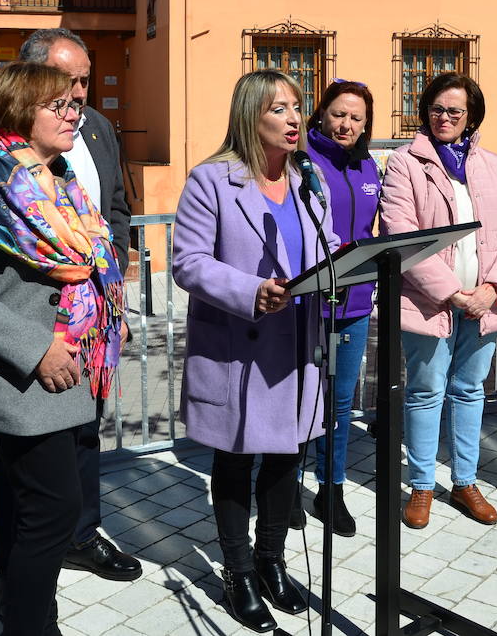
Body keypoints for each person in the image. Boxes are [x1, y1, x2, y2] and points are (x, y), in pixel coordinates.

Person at [0, 61, 127, 634]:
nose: (75, 114)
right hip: (24, 374)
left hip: (70, 366)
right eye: (58, 106)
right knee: (54, 512)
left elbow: (88, 260)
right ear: (21, 111)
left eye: (75, 104)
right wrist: (35, 348)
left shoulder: (59, 175)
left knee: (29, 507)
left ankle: (34, 612)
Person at [171, 70, 340, 633]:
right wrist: (249, 290)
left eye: (297, 107)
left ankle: (272, 562)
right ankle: (237, 573)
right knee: (237, 458)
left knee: (288, 454)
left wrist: (345, 265)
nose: (294, 119)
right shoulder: (212, 180)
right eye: (279, 109)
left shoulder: (307, 179)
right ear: (251, 116)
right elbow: (188, 262)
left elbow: (327, 244)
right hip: (241, 344)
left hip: (297, 343)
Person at [380, 72, 497, 530]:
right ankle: (422, 484)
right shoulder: (405, 164)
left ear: (471, 117)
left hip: (486, 303)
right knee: (425, 393)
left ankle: (465, 481)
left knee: (469, 392)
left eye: (455, 111)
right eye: (436, 109)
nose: (444, 117)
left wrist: (493, 290)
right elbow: (401, 236)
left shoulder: (494, 165)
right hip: (429, 303)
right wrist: (454, 293)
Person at [298, 79, 381, 536]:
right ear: (322, 114)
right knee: (300, 396)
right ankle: (287, 485)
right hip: (308, 304)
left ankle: (331, 487)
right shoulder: (300, 161)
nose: (346, 124)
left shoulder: (368, 165)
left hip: (353, 303)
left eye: (356, 118)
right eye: (339, 114)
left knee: (340, 402)